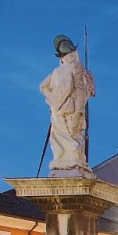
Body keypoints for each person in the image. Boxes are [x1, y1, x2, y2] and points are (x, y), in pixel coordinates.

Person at [40, 35, 95, 174]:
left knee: (63, 136)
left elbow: (64, 90)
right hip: (78, 112)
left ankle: (67, 161)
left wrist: (51, 99)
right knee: (75, 135)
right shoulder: (84, 74)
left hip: (64, 110)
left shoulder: (62, 71)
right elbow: (89, 92)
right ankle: (76, 159)